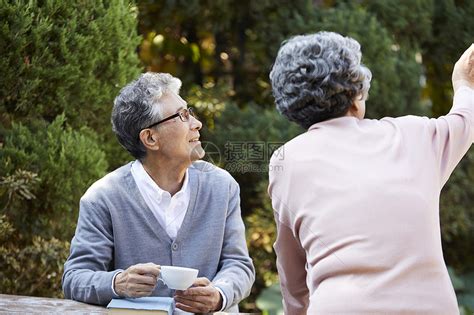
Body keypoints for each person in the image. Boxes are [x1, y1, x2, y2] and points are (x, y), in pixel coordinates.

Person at [268, 31, 473, 314]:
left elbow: (291, 265)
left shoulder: (286, 159)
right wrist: (463, 82)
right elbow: (465, 119)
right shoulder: (415, 134)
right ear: (355, 93)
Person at [62, 73, 255, 313]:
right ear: (150, 138)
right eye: (182, 116)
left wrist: (219, 294)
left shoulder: (222, 186)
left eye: (190, 112)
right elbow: (74, 278)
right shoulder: (103, 197)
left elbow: (238, 265)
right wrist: (117, 283)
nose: (196, 123)